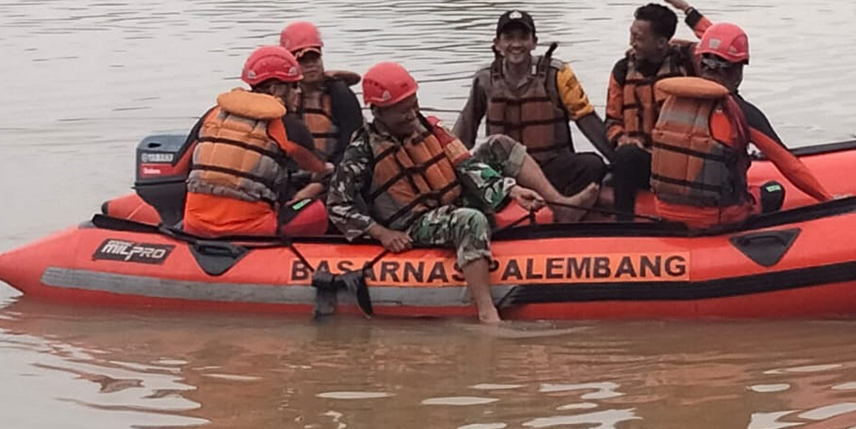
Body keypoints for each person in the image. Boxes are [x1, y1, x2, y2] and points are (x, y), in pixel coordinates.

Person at [326, 62, 599, 323]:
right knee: (470, 220)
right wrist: (382, 233)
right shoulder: (361, 150)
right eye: (402, 110)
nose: (412, 114)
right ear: (378, 112)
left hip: (451, 199)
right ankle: (486, 310)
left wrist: (511, 189)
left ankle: (560, 205)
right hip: (414, 222)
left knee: (498, 145)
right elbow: (338, 204)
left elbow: (466, 165)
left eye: (413, 105)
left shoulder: (431, 127)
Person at [648, 22, 831, 228]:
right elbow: (789, 165)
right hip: (717, 216)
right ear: (737, 69)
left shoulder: (672, 100)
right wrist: (829, 200)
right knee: (774, 189)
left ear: (701, 62)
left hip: (664, 209)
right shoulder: (741, 112)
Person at [453, 10, 611, 220]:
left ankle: (565, 211)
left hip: (550, 166)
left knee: (593, 164)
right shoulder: (484, 79)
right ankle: (559, 209)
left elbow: (586, 120)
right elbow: (466, 127)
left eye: (523, 38)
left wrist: (617, 161)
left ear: (534, 42)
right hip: (506, 172)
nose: (516, 45)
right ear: (497, 44)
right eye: (509, 38)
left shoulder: (558, 74)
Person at [182, 46, 332, 238]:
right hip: (254, 230)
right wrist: (314, 186)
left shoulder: (212, 115)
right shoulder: (288, 127)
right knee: (320, 200)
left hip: (195, 225)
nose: (298, 92)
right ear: (275, 89)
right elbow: (320, 170)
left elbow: (177, 168)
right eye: (294, 86)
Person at [606, 0, 711, 220]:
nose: (632, 42)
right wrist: (622, 138)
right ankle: (624, 224)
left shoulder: (687, 61)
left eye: (639, 38)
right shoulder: (622, 70)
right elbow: (612, 121)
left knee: (626, 158)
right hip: (642, 159)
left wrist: (686, 9)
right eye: (631, 35)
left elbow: (717, 43)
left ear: (662, 42)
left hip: (683, 162)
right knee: (624, 157)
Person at [279, 21, 364, 168]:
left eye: (314, 58)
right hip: (293, 174)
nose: (311, 64)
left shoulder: (339, 94)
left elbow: (351, 142)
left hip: (335, 171)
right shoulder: (281, 97)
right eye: (302, 60)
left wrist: (328, 172)